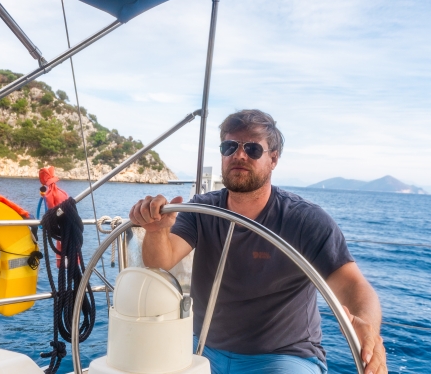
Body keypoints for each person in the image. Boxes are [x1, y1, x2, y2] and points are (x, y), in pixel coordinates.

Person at [129, 109, 387, 374]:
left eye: (252, 149)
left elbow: (352, 283)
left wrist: (367, 329)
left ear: (273, 158)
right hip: (202, 346)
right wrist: (157, 231)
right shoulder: (201, 210)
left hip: (285, 357)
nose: (238, 155)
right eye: (229, 146)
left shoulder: (305, 220)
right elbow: (162, 261)